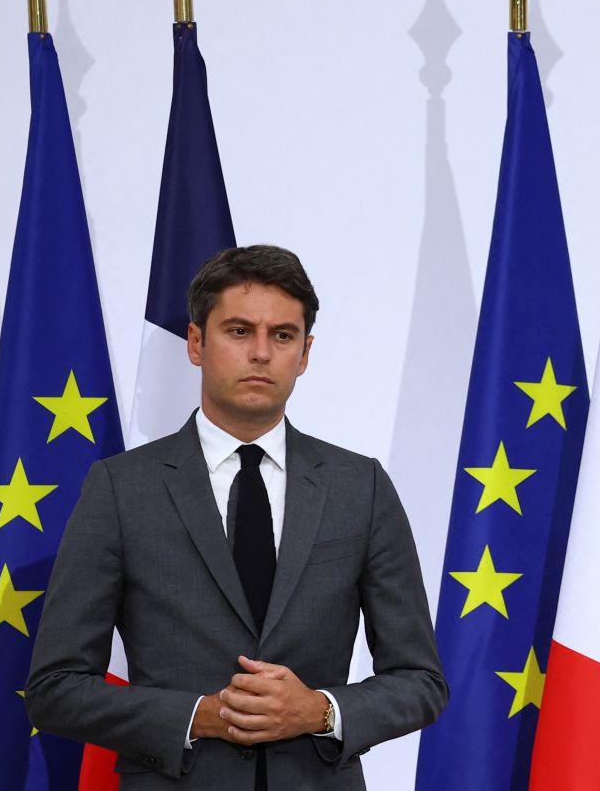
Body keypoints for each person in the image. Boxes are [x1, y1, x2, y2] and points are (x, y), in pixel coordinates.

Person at [27, 245, 447, 788]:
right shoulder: (120, 488)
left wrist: (320, 711)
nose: (261, 354)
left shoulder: (359, 486)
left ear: (305, 353)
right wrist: (196, 717)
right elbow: (54, 689)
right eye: (239, 331)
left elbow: (421, 681)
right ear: (197, 343)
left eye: (282, 336)